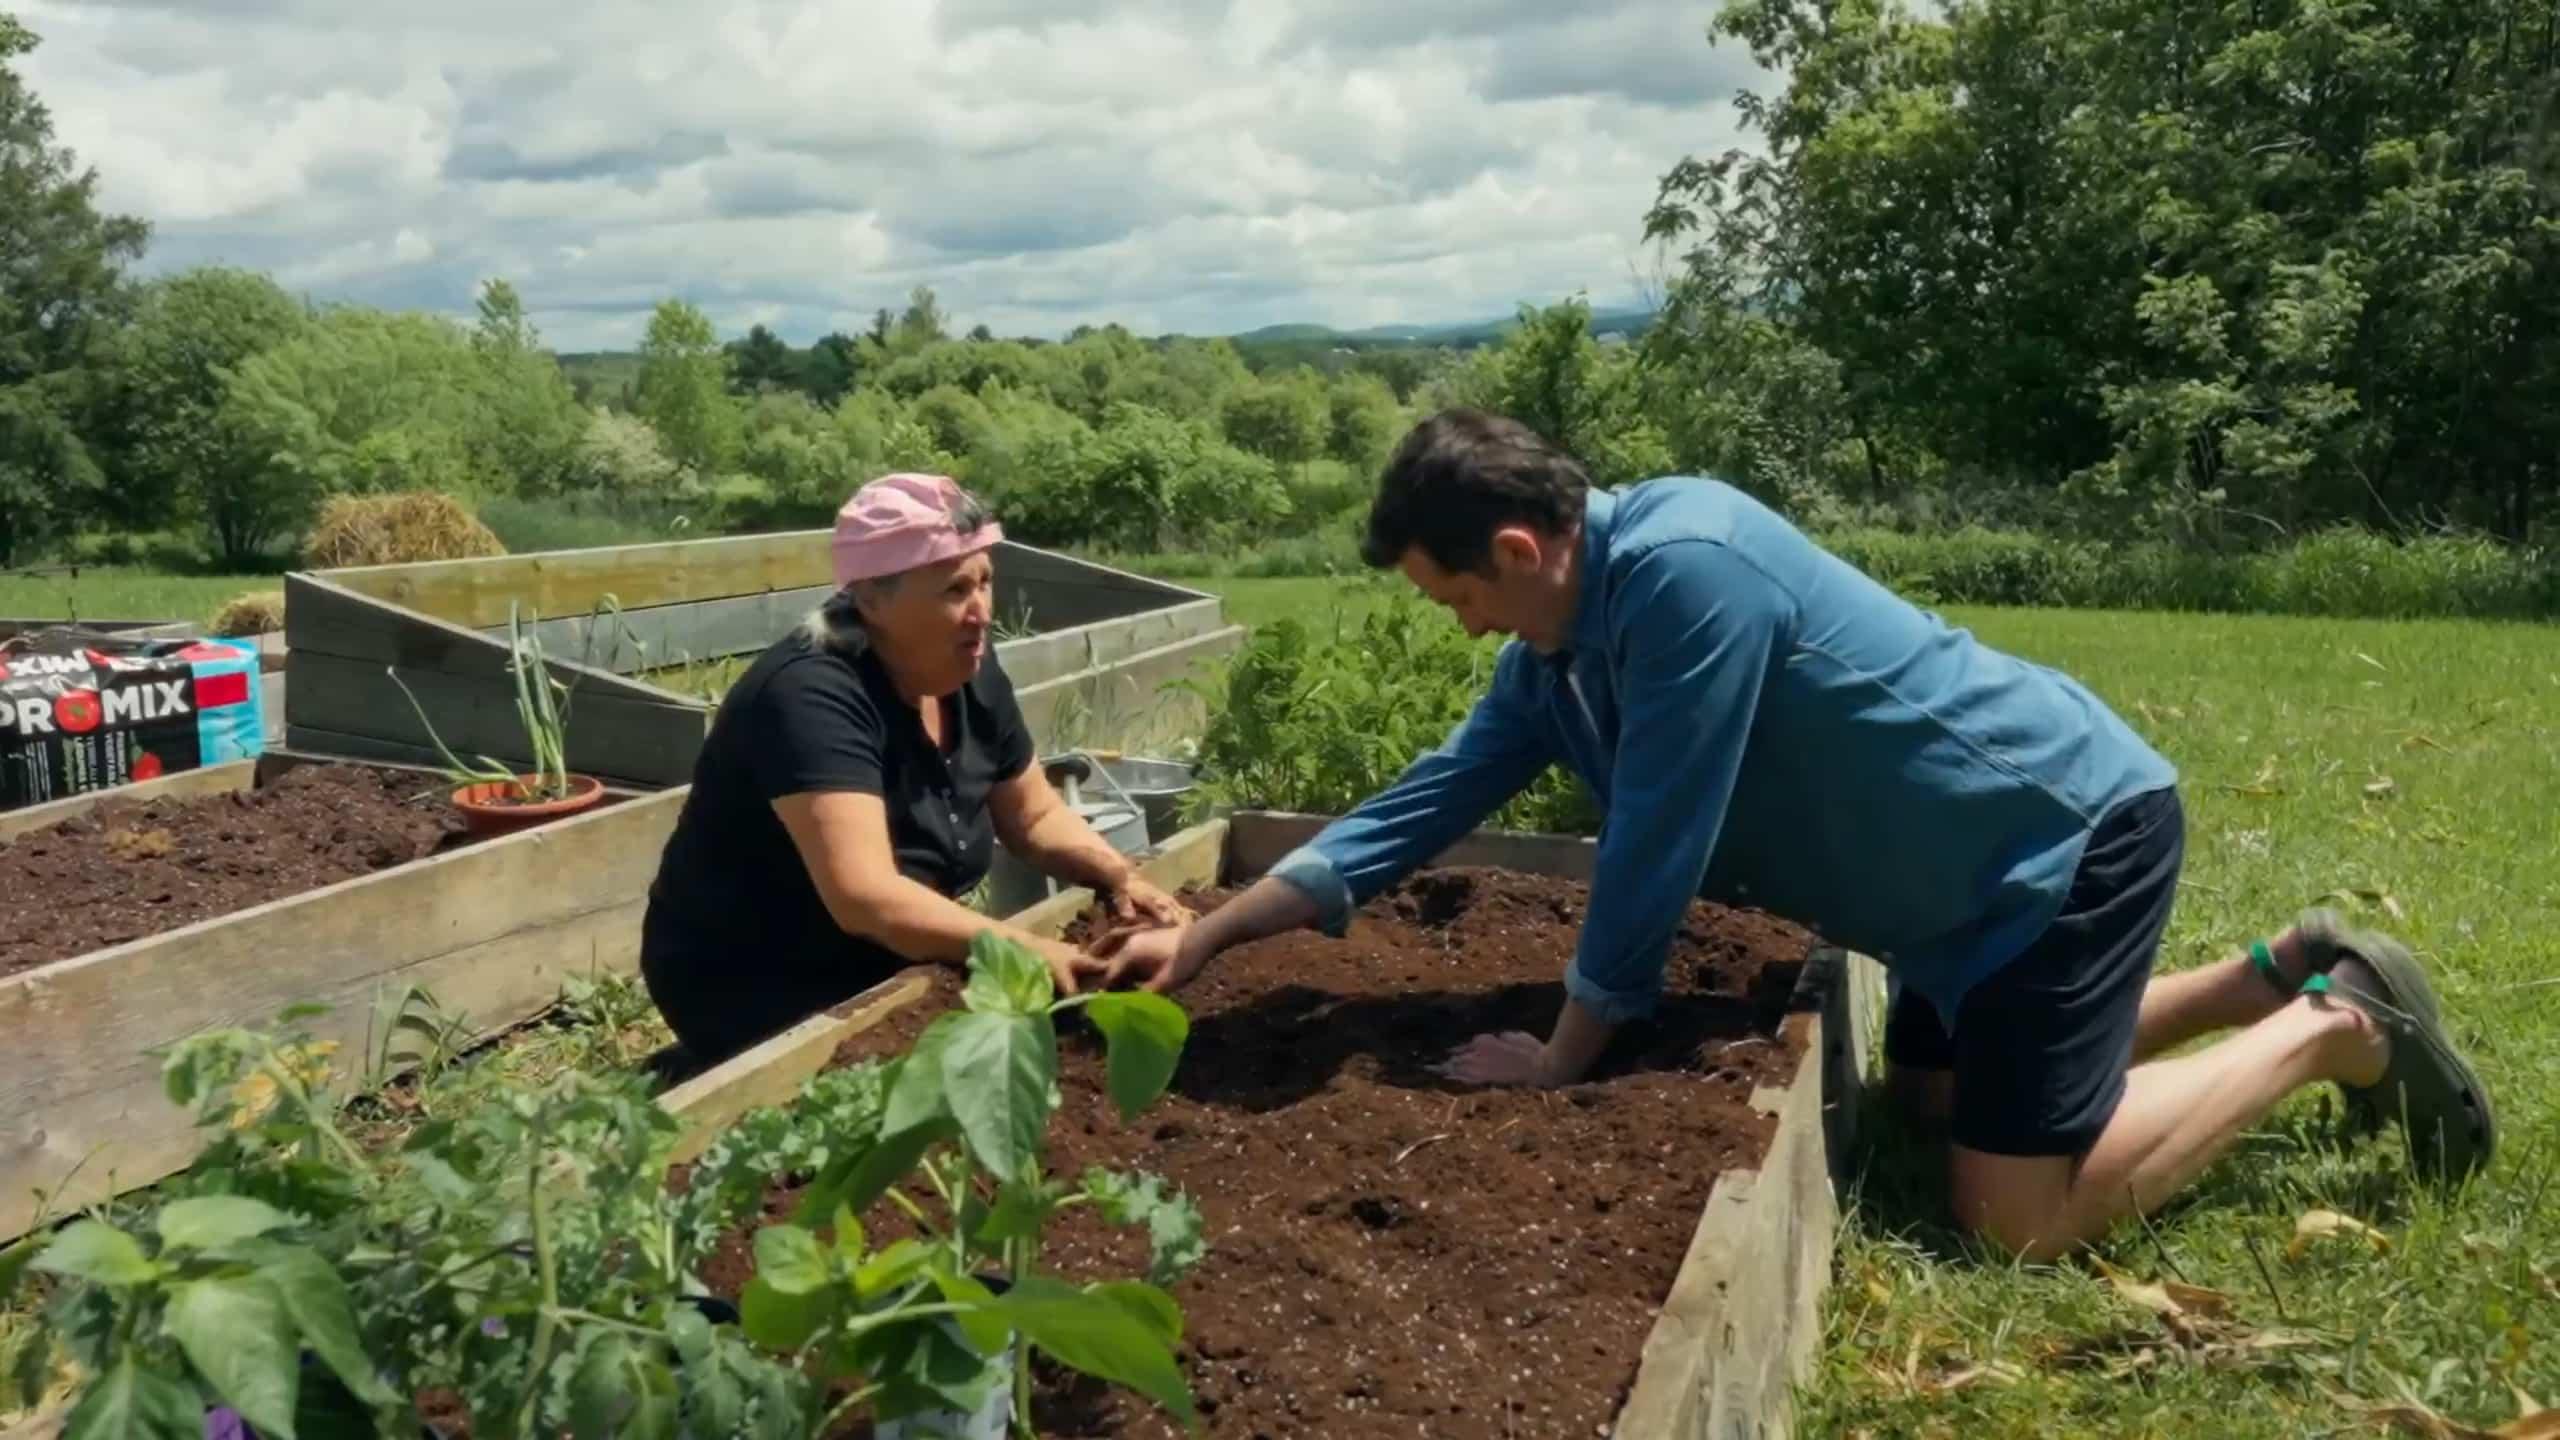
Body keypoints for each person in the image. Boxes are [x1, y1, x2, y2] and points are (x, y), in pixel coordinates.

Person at [1094, 409, 2496, 1259]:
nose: (1456, 623)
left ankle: (2331, 1030)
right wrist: (1213, 931)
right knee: (1937, 1112)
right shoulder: (1556, 660)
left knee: (2017, 1216)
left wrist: (1567, 1052)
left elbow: (1660, 829)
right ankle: (2279, 964)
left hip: (2052, 846)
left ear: (1515, 554)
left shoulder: (1686, 572)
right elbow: (1419, 804)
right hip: (1962, 905)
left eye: (1448, 595)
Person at [640, 472, 1182, 1066]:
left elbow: (1033, 814)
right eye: (954, 591)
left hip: (889, 956)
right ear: (872, 599)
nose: (980, 613)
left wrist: (1117, 876)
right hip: (760, 979)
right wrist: (1020, 948)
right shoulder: (810, 697)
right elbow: (865, 896)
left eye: (985, 583)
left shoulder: (968, 669)